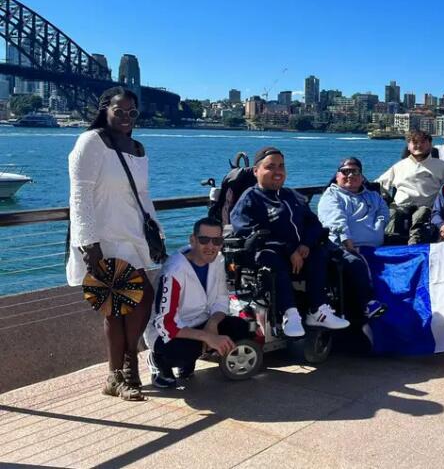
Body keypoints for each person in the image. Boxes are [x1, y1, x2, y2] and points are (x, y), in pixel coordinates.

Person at [68, 86, 159, 401]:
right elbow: (80, 196)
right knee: (116, 309)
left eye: (132, 112)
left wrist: (156, 233)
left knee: (141, 300)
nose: (126, 117)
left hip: (132, 236)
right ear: (104, 108)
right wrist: (88, 244)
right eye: (119, 111)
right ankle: (120, 373)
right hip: (102, 239)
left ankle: (124, 367)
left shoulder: (137, 148)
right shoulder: (90, 142)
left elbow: (143, 196)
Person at [231, 146, 349, 337]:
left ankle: (317, 310)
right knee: (270, 257)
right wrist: (289, 249)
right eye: (270, 167)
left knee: (319, 253)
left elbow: (314, 224)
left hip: (299, 252)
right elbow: (249, 232)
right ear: (256, 171)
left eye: (281, 166)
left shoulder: (291, 196)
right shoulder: (250, 199)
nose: (277, 172)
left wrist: (305, 245)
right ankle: (289, 314)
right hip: (271, 252)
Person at [148, 217, 251, 388]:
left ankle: (191, 358)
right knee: (183, 352)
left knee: (240, 327)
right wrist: (207, 337)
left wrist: (213, 323)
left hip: (200, 320)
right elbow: (167, 325)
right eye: (204, 240)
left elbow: (221, 299)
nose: (211, 246)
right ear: (193, 240)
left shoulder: (217, 260)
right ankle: (158, 360)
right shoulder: (174, 271)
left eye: (217, 241)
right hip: (165, 332)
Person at [317, 157, 388, 320]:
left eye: (354, 171)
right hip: (345, 247)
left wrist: (379, 226)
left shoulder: (373, 196)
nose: (350, 175)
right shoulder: (332, 196)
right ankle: (367, 303)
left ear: (362, 176)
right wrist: (347, 241)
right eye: (345, 171)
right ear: (337, 176)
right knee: (355, 262)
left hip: (375, 247)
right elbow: (336, 221)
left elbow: (384, 212)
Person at [377, 130, 444, 244]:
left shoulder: (441, 166)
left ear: (430, 144)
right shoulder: (400, 166)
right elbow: (379, 184)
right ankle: (388, 248)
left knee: (421, 214)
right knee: (391, 215)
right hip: (400, 207)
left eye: (422, 142)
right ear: (408, 146)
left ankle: (413, 249)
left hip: (426, 208)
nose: (418, 145)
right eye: (414, 142)